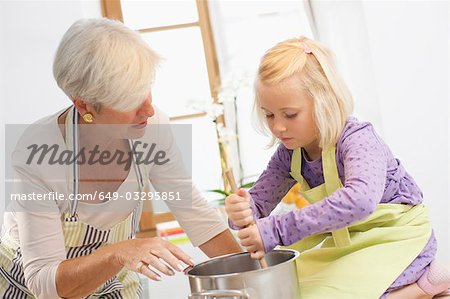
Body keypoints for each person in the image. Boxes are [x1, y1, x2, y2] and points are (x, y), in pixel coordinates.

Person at [0, 18, 241, 299]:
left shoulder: (153, 130)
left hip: (111, 285)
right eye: (131, 100)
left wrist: (253, 275)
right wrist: (118, 253)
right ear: (85, 105)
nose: (149, 110)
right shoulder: (37, 153)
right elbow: (45, 283)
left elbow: (198, 217)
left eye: (147, 89)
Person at [225, 37, 450, 299]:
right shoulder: (288, 154)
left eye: (290, 114)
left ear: (323, 102)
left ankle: (424, 286)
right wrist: (242, 211)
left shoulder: (357, 139)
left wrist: (276, 230)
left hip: (397, 239)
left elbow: (359, 201)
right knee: (294, 291)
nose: (278, 127)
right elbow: (258, 204)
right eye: (269, 115)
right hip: (349, 244)